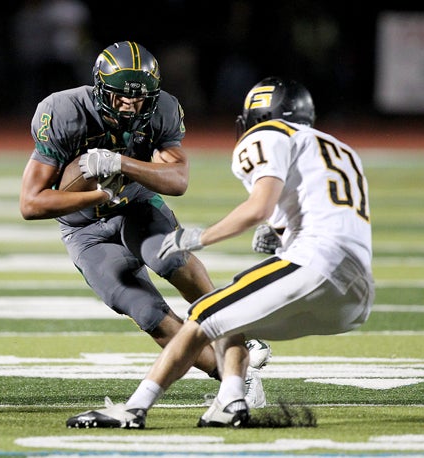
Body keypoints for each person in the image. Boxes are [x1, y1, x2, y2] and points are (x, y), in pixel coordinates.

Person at [66, 76, 374, 429]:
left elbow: (259, 206)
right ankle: (230, 401)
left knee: (202, 313)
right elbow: (327, 210)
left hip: (316, 263)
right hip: (357, 295)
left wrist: (201, 237)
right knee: (231, 316)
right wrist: (281, 233)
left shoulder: (267, 135)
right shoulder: (340, 148)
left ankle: (134, 409)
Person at [19, 41, 271, 399]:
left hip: (137, 205)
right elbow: (30, 203)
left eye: (138, 98)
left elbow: (178, 180)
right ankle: (236, 379)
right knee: (145, 311)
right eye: (120, 96)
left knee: (167, 256)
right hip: (84, 228)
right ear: (99, 88)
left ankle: (234, 328)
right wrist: (100, 194)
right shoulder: (64, 110)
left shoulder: (163, 108)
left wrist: (121, 163)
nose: (129, 104)